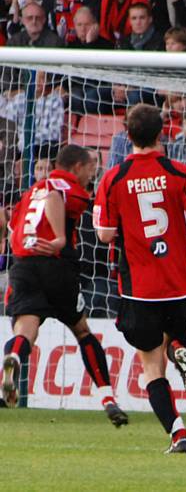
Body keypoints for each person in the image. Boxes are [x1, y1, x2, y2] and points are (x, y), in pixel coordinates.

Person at [93, 104, 186, 454]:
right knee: (173, 341)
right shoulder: (179, 172)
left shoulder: (113, 177)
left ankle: (178, 434)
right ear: (162, 133)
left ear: (127, 135)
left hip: (139, 287)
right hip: (178, 280)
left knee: (151, 366)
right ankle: (179, 348)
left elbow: (102, 234)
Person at [2, 145, 128, 428]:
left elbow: (12, 231)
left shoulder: (31, 190)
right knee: (82, 331)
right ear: (77, 167)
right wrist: (59, 237)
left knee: (25, 331)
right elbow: (54, 197)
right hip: (57, 266)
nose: (92, 173)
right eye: (91, 167)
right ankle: (108, 399)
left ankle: (12, 358)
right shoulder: (64, 185)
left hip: (23, 263)